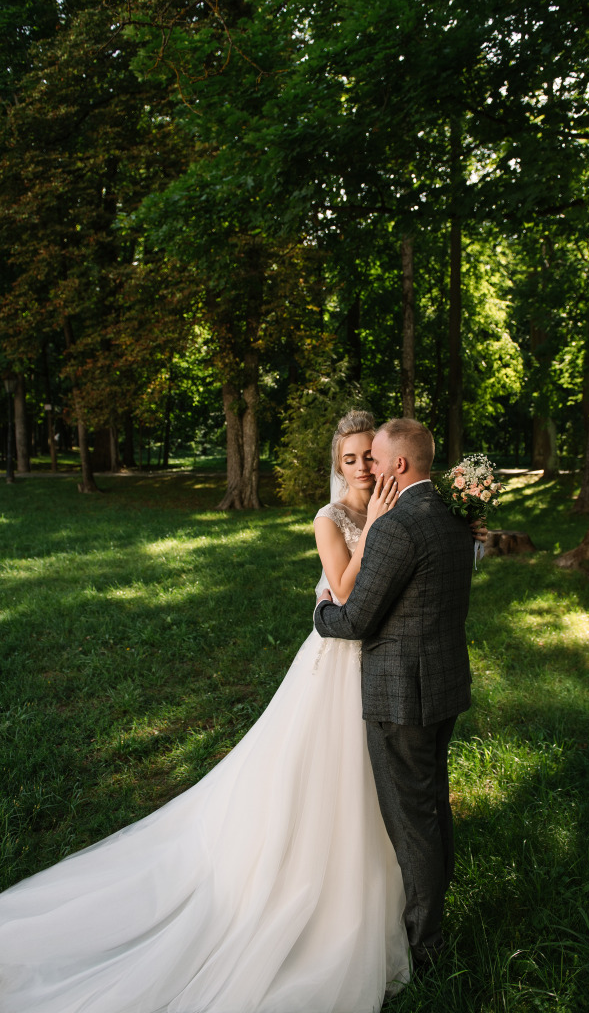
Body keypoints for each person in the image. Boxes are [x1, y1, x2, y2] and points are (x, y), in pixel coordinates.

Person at [0, 411, 410, 1013]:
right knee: (330, 773)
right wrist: (371, 525)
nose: (361, 468)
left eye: (367, 456)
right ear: (336, 464)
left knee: (374, 775)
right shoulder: (332, 519)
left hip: (377, 658)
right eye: (348, 459)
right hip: (336, 663)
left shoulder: (393, 507)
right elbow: (343, 593)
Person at [314, 418, 474, 974]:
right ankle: (437, 916)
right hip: (445, 684)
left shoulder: (396, 527)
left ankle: (425, 945)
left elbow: (356, 617)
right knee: (431, 808)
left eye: (377, 459)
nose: (370, 469)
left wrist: (321, 616)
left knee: (413, 822)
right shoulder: (456, 516)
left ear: (399, 465)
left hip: (402, 693)